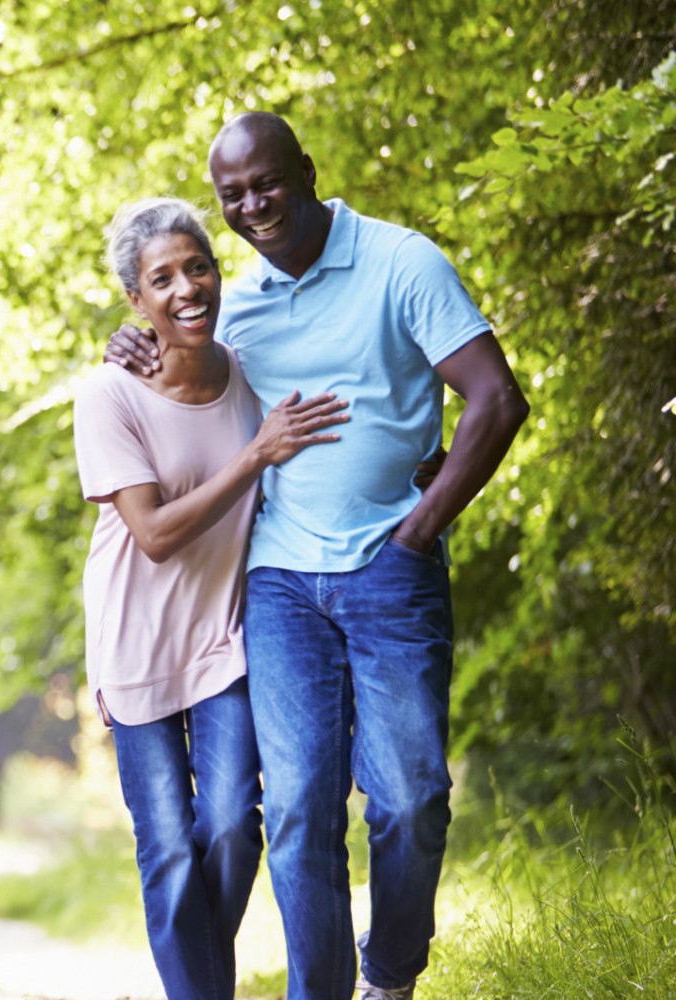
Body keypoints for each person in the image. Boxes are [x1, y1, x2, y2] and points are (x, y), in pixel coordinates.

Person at [105, 113, 530, 1000]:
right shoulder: (237, 304)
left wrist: (420, 529)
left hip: (392, 570)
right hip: (281, 581)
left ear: (305, 169)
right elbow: (176, 368)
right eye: (234, 196)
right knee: (297, 811)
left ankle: (390, 976)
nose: (254, 205)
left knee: (411, 798)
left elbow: (496, 400)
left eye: (267, 183)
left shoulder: (400, 261)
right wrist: (127, 343)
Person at [73, 197, 350, 1000]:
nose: (186, 287)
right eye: (161, 278)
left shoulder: (247, 371)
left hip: (224, 638)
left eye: (198, 267)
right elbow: (154, 533)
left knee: (231, 825)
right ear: (135, 299)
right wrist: (255, 457)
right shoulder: (109, 394)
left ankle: (194, 976)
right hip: (134, 641)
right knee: (165, 842)